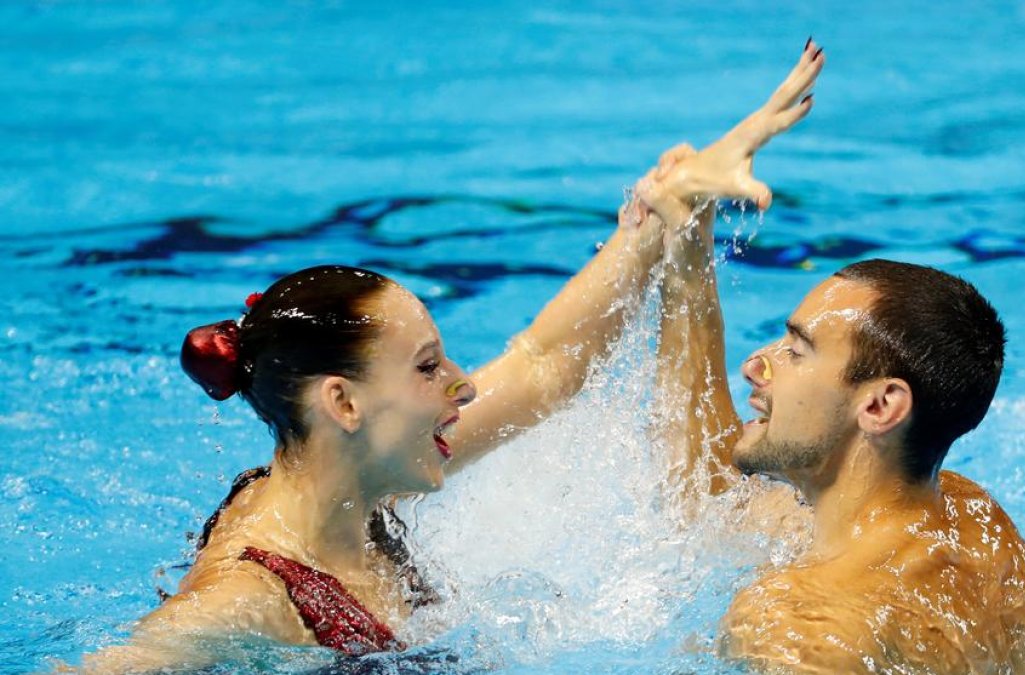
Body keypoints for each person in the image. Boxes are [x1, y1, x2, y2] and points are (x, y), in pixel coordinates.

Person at [71, 43, 827, 673]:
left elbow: (544, 361)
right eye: (428, 367)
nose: (462, 383)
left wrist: (666, 209)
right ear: (343, 401)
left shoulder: (352, 480)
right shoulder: (250, 593)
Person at [635, 57, 1025, 671]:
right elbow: (709, 498)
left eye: (796, 350)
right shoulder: (978, 527)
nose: (757, 367)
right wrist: (686, 244)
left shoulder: (793, 623)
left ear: (880, 405)